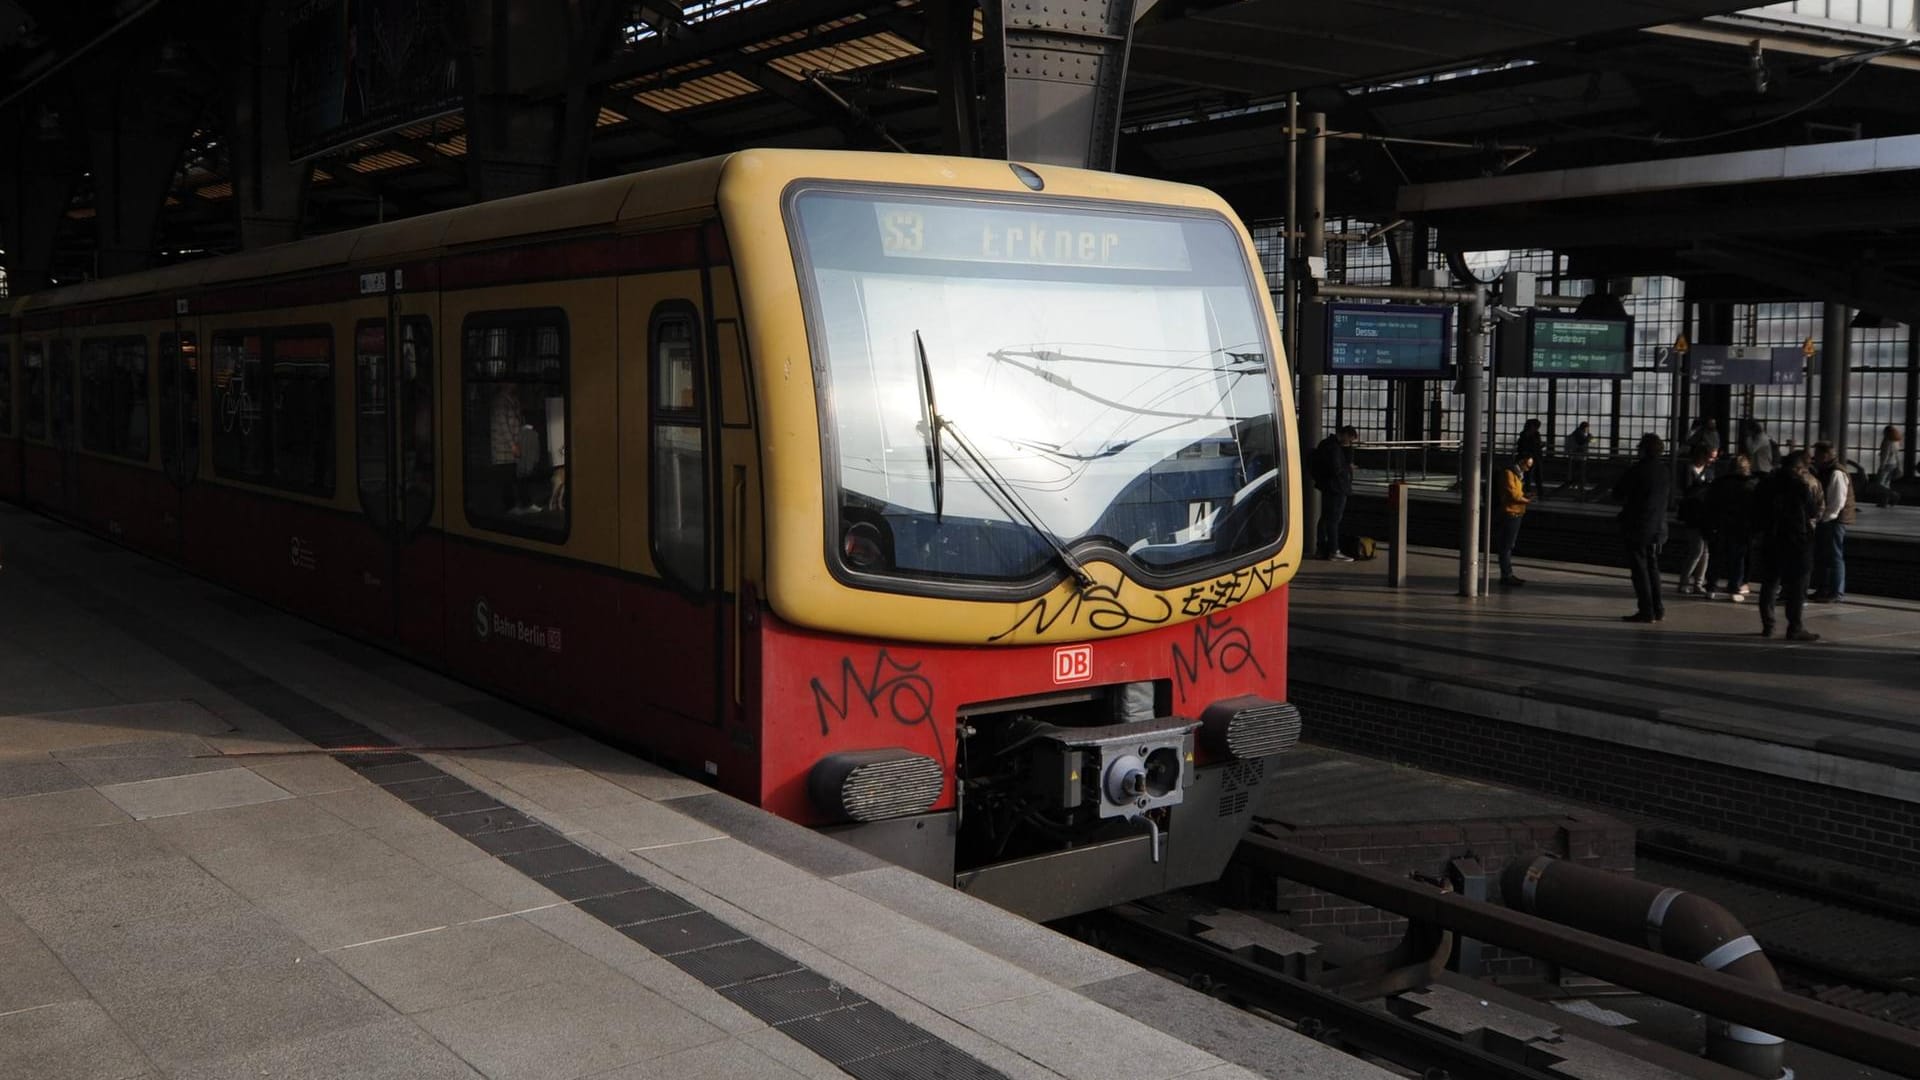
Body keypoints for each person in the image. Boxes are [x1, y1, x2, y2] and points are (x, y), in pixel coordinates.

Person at [1754, 452, 1821, 641]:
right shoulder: (1799, 485)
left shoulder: (1766, 483)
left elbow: (1755, 508)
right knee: (1797, 586)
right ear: (1799, 468)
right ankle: (1795, 626)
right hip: (1796, 540)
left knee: (1770, 583)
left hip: (1771, 538)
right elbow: (1812, 510)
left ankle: (1768, 625)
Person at [1613, 433, 1671, 623]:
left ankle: (1646, 610)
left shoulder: (1637, 470)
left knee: (1640, 570)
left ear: (1644, 450)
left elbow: (1618, 493)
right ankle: (1658, 608)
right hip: (1658, 527)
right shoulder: (1664, 471)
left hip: (1637, 527)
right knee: (1653, 568)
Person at [1706, 454, 1758, 601]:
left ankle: (1711, 586)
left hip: (1721, 524)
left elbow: (1710, 504)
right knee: (1738, 558)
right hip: (1742, 526)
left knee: (1716, 557)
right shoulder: (1751, 485)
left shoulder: (1719, 483)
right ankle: (1734, 587)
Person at [1810, 441, 1853, 603]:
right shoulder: (1826, 471)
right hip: (1828, 519)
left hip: (1834, 521)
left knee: (1834, 556)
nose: (1815, 458)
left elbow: (1837, 501)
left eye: (1818, 454)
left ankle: (1836, 591)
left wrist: (1824, 518)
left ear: (1826, 455)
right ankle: (1823, 589)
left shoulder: (1836, 473)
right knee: (1824, 556)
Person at [1311, 426, 1358, 562]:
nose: (1349, 443)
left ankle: (1321, 549)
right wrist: (1348, 467)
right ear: (1345, 435)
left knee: (1325, 518)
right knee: (1334, 520)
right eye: (1350, 440)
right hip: (1337, 488)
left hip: (1327, 487)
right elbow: (1336, 468)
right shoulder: (1334, 448)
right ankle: (1334, 550)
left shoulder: (1325, 444)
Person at [1675, 446, 1714, 595]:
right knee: (1697, 549)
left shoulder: (1709, 471)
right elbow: (1686, 489)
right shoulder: (1688, 469)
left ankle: (1698, 582)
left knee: (1705, 551)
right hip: (1692, 514)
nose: (1709, 460)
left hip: (1705, 514)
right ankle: (1684, 582)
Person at [1495, 452, 1533, 586]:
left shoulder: (1517, 474)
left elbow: (1516, 493)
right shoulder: (1508, 473)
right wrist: (1526, 500)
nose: (1528, 468)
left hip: (1516, 512)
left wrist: (1524, 496)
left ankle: (1507, 574)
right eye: (1528, 465)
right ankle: (1506, 575)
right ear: (1521, 461)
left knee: (1508, 545)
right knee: (1506, 546)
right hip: (1510, 513)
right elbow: (1512, 495)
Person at [488, 383, 524, 516]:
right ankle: (510, 506)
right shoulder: (500, 401)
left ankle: (519, 503)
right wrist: (512, 445)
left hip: (513, 443)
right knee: (506, 476)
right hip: (503, 447)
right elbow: (503, 424)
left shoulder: (512, 399)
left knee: (513, 474)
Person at [1515, 419, 1545, 497]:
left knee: (1533, 475)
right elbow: (1534, 445)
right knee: (1531, 475)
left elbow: (1522, 446)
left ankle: (1536, 492)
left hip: (1531, 456)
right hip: (1531, 456)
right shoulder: (1531, 434)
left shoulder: (1526, 434)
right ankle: (1534, 492)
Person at [1874, 424, 1903, 506]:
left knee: (1879, 484)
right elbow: (1897, 455)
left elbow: (1885, 455)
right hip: (1893, 464)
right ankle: (1884, 502)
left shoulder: (1887, 442)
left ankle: (1894, 495)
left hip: (1886, 465)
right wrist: (1899, 466)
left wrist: (1882, 465)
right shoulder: (1896, 442)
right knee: (1886, 484)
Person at [1562, 421, 1592, 494]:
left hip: (1573, 457)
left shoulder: (1573, 435)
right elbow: (1585, 443)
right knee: (1581, 474)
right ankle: (1580, 489)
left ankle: (1574, 486)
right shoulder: (1584, 437)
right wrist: (1590, 438)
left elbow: (1568, 446)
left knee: (1574, 473)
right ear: (1585, 428)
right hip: (1581, 458)